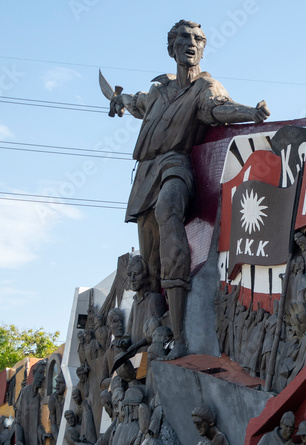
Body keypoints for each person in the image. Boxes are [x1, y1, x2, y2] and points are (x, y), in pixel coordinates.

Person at [109, 19, 270, 359]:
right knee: (150, 270)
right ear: (172, 47)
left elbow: (217, 109)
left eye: (198, 39)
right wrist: (117, 99)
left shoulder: (205, 86)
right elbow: (134, 102)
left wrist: (250, 113)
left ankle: (182, 339)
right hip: (145, 175)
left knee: (169, 208)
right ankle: (160, 335)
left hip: (176, 165)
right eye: (184, 38)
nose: (191, 43)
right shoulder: (158, 90)